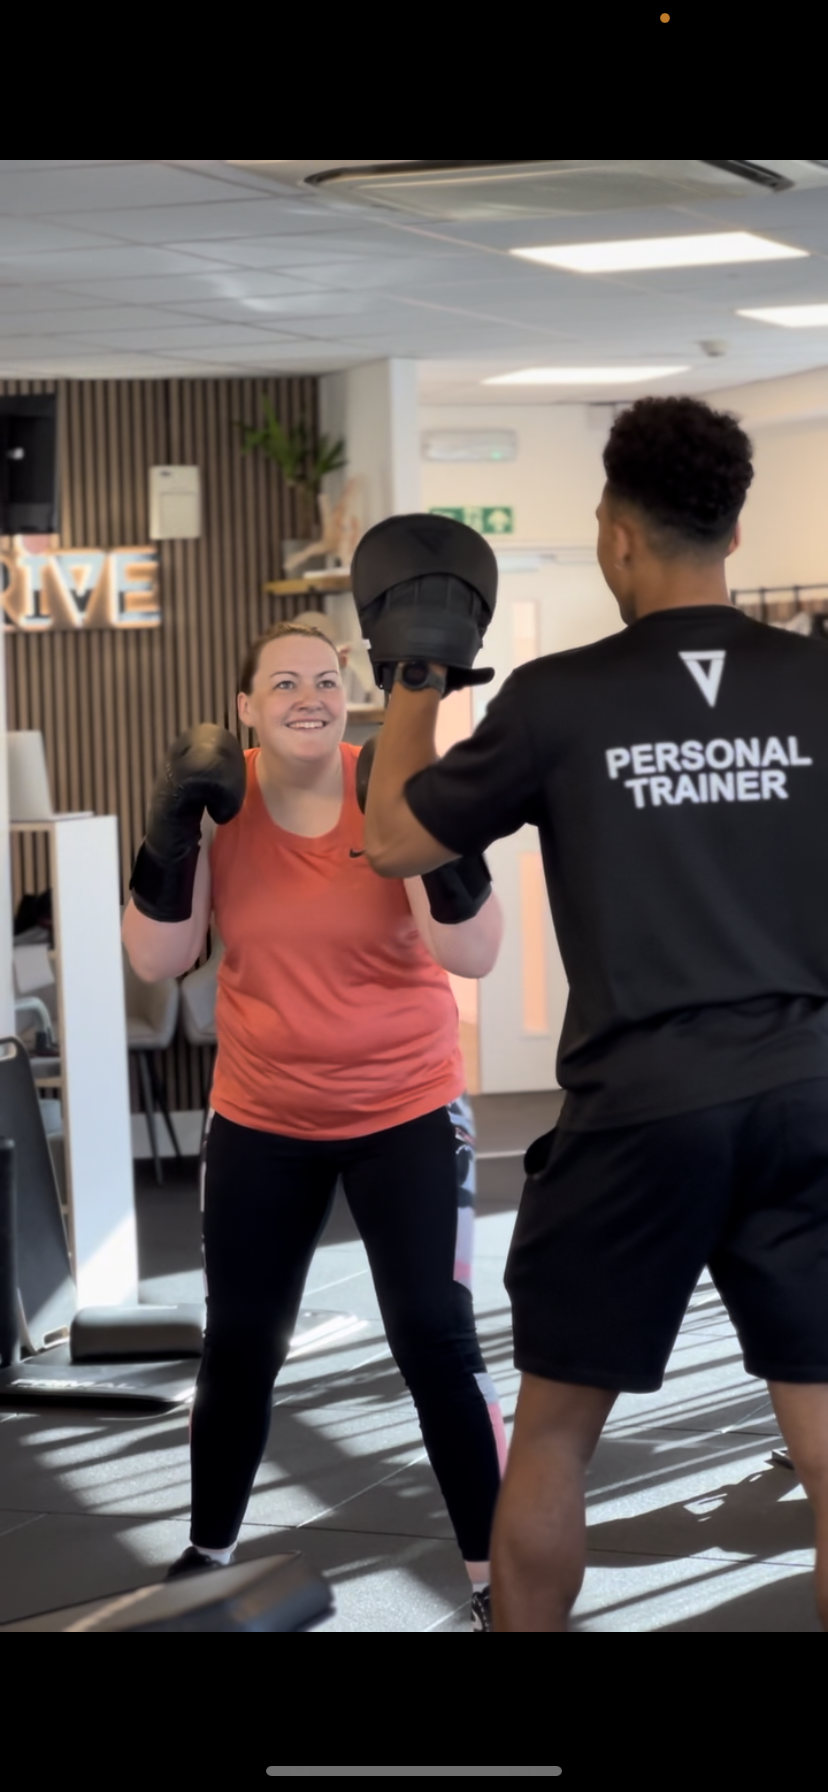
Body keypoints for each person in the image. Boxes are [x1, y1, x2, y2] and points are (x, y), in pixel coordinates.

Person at [360, 397, 828, 1633]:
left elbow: (393, 834)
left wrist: (416, 673)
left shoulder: (560, 698)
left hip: (644, 1109)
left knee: (557, 1438)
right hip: (810, 1090)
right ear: (731, 527)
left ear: (617, 533)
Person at [122, 615, 507, 1632]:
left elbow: (474, 954)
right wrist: (168, 824)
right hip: (264, 1112)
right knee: (241, 1339)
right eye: (284, 681)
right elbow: (159, 962)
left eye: (328, 679)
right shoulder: (219, 799)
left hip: (406, 1106)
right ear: (246, 705)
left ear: (349, 696)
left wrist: (427, 822)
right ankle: (209, 1552)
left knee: (435, 1335)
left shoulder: (385, 788)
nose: (310, 694)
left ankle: (494, 1572)